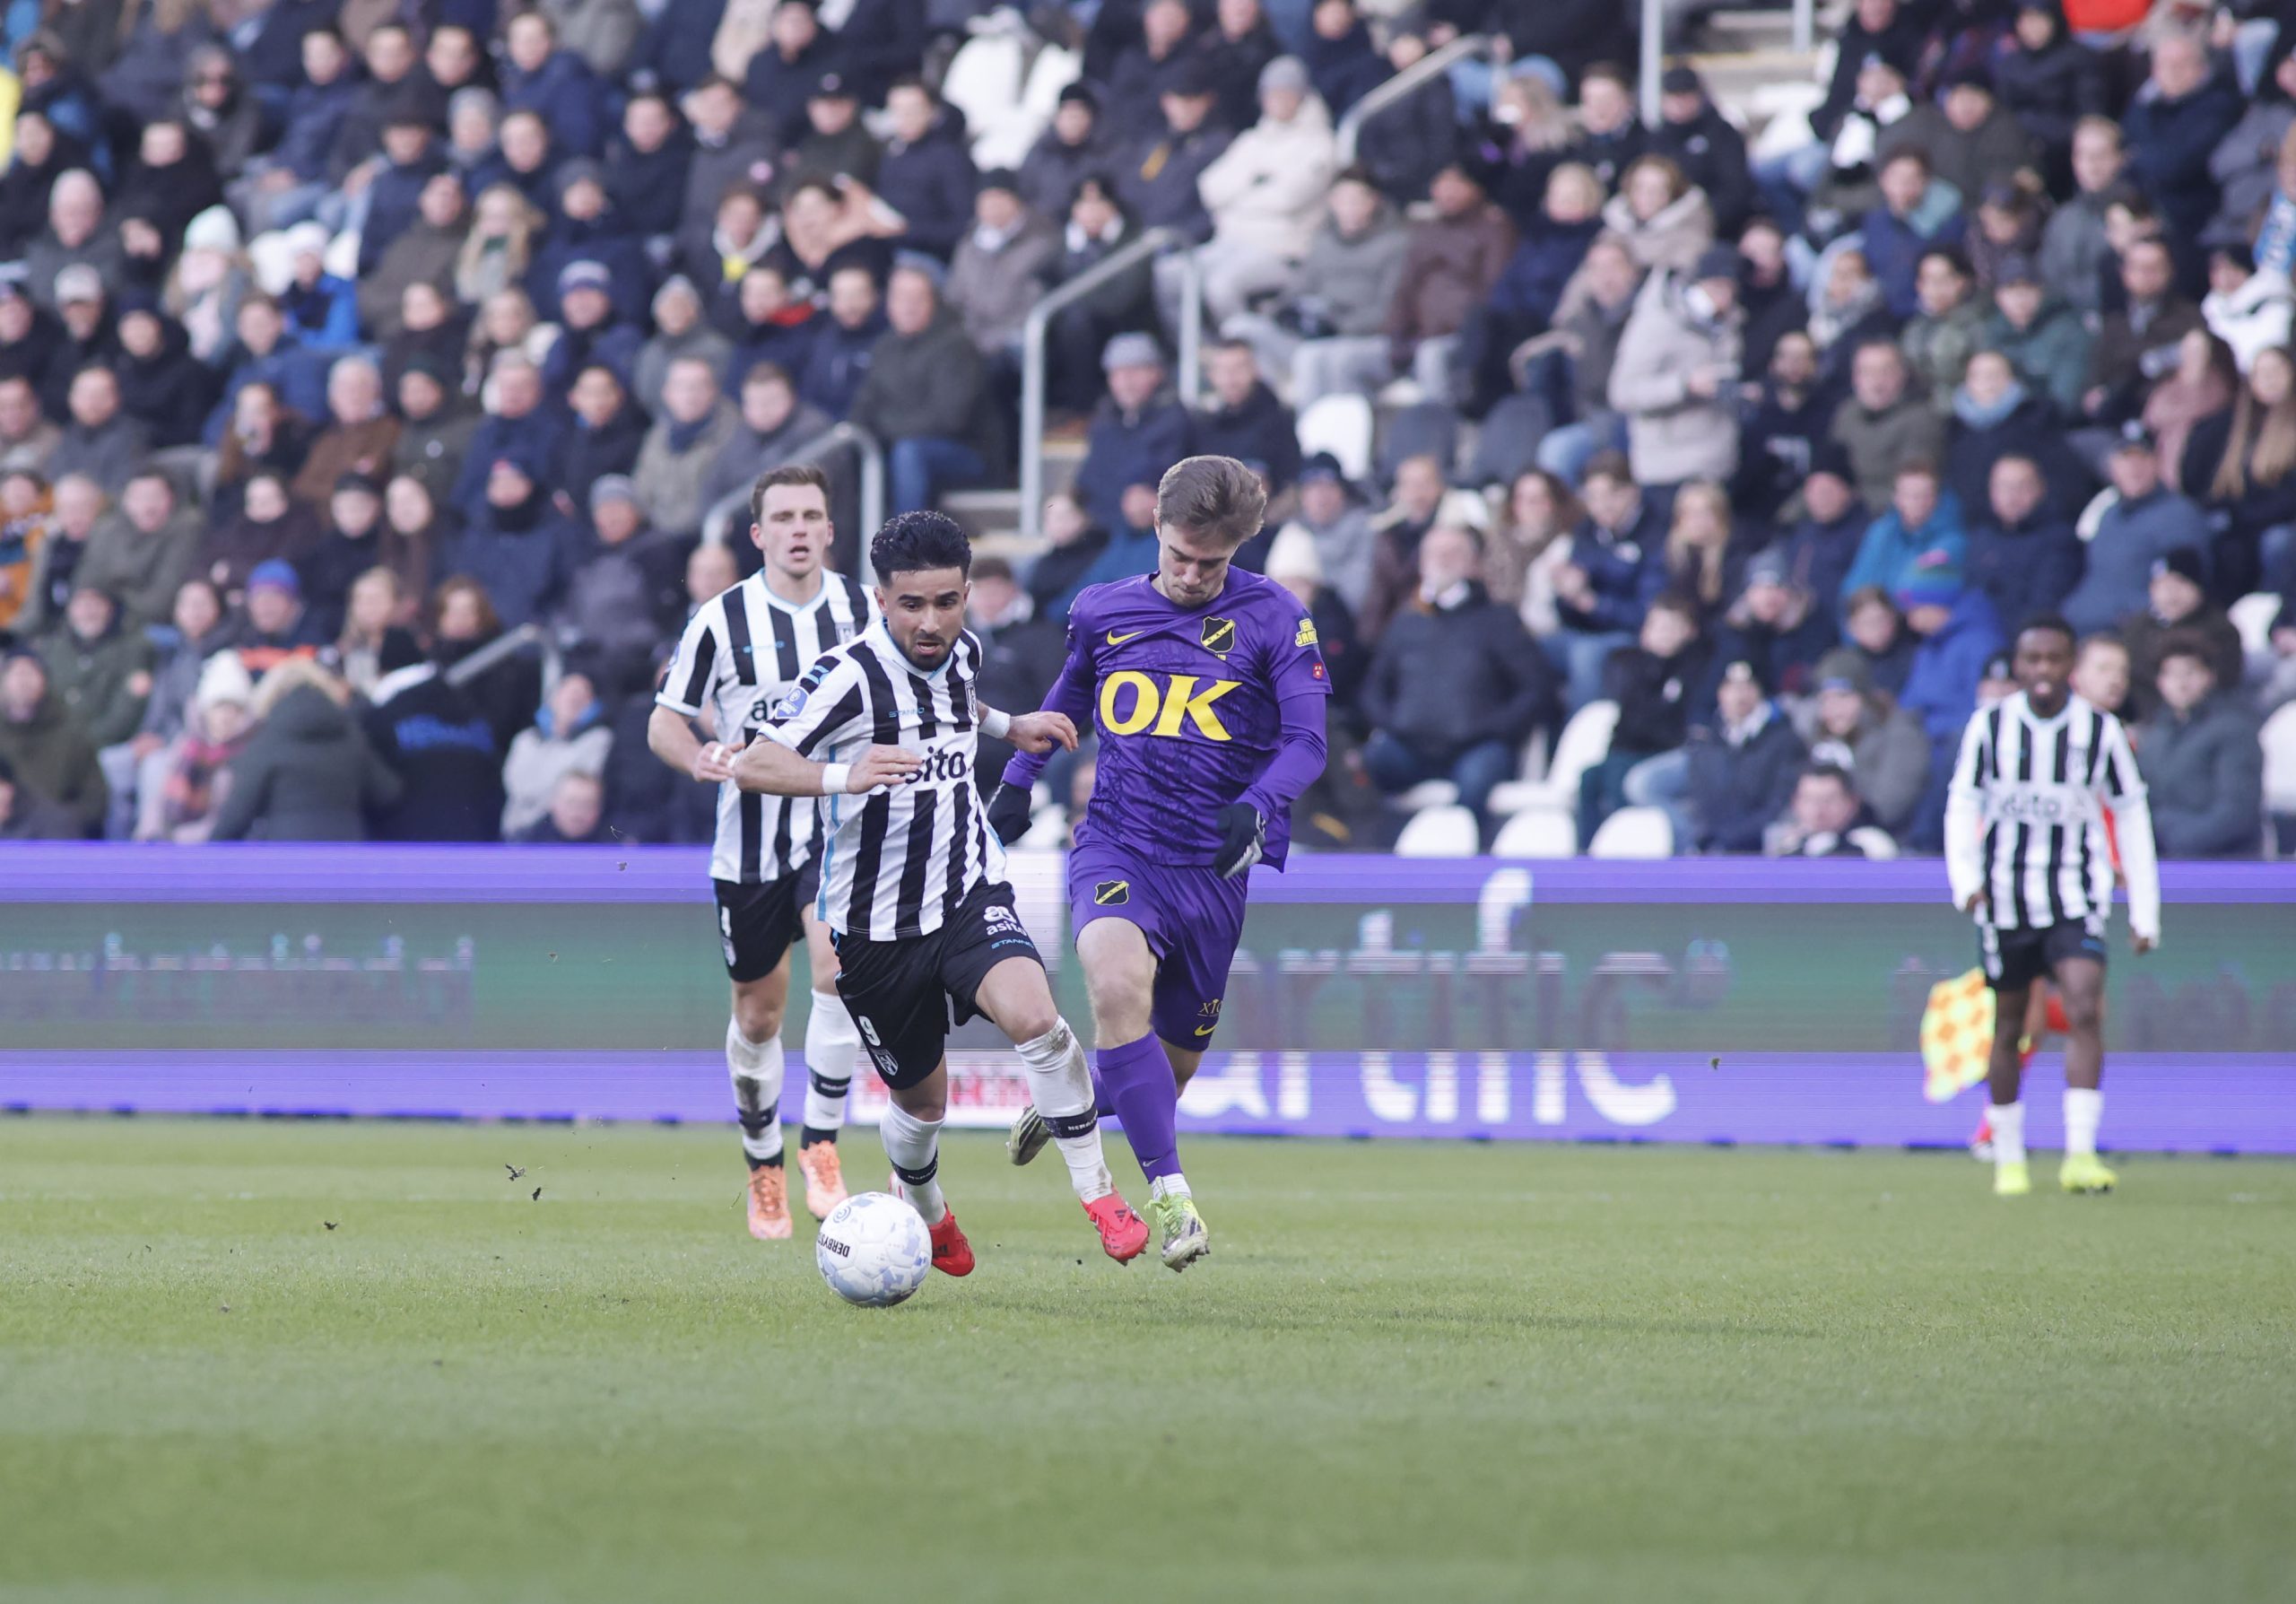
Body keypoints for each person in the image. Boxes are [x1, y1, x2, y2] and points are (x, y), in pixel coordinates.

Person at [735, 509, 1149, 1274]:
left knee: (1039, 1020)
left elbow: (960, 705)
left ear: (965, 594)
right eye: (912, 605)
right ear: (881, 600)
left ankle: (1099, 1193)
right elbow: (754, 762)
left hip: (966, 891)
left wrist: (1010, 726)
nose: (931, 622)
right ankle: (927, 1208)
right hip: (874, 930)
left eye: (947, 602)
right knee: (923, 1105)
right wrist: (844, 775)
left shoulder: (964, 652)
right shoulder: (846, 676)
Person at [989, 456, 1329, 1271]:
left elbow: (1308, 741)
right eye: (1179, 555)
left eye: (1211, 563)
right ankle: (1173, 1201)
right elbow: (1067, 702)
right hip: (1118, 844)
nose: (1190, 575)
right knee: (1114, 990)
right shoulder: (1102, 610)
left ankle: (1075, 1103)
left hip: (1213, 869)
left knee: (1165, 1071)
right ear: (1156, 529)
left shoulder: (1277, 619)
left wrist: (1258, 804)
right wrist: (1017, 781)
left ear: (1239, 548)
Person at [651, 464, 873, 1240]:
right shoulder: (721, 619)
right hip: (748, 844)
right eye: (784, 517)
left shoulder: (863, 610)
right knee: (757, 1015)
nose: (799, 529)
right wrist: (699, 757)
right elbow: (666, 720)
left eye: (811, 515)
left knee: (838, 971)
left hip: (838, 827)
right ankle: (763, 1164)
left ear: (830, 530)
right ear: (759, 534)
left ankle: (822, 1146)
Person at [1945, 615, 2159, 1197]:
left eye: (2054, 658)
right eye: (2032, 659)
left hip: (2075, 893)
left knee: (2085, 1008)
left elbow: (2131, 812)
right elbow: (1963, 801)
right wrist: (1965, 879)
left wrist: (2145, 909)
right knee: (2011, 1025)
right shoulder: (1991, 726)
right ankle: (2009, 1156)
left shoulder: (2099, 731)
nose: (2043, 670)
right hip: (2006, 897)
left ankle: (2080, 1155)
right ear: (2018, 665)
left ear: (2071, 665)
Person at [1357, 524, 1556, 841]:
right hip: (1410, 746)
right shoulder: (1406, 621)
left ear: (1475, 564)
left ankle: (1465, 863)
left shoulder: (1498, 620)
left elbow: (1535, 687)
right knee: (1366, 767)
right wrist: (1392, 723)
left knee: (1477, 780)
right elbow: (1374, 688)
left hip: (1477, 748)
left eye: (1453, 553)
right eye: (1434, 553)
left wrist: (1498, 728)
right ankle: (1372, 854)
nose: (1443, 560)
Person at [208, 658, 402, 842]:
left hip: (289, 855)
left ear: (271, 695)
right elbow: (388, 793)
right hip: (346, 852)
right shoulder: (351, 737)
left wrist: (207, 854)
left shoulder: (267, 741)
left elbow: (236, 816)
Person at [2134, 638, 2265, 858]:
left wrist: (2177, 842)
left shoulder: (2235, 729)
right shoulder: (2154, 734)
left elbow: (2237, 811)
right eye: (2171, 674)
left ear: (2209, 676)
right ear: (2159, 681)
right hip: (2161, 857)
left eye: (2190, 672)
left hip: (2225, 862)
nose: (2181, 683)